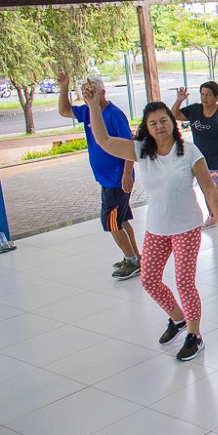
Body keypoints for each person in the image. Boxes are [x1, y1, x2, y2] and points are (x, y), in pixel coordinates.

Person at [83, 83, 218, 361]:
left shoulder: (189, 152)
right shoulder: (141, 151)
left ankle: (194, 335)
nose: (160, 126)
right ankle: (177, 319)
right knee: (149, 280)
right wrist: (92, 106)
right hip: (157, 230)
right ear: (147, 129)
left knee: (184, 282)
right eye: (153, 123)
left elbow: (210, 190)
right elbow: (103, 141)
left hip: (187, 227)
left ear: (172, 123)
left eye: (164, 120)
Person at [57, 71, 142, 280]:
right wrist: (64, 87)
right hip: (106, 179)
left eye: (92, 92)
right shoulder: (88, 112)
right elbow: (64, 110)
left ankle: (131, 261)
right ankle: (135, 257)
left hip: (116, 179)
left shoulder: (114, 114)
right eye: (86, 93)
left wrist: (126, 173)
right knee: (121, 219)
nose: (88, 96)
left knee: (112, 222)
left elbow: (130, 145)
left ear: (102, 92)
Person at [172, 81, 218, 229]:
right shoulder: (195, 110)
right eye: (202, 94)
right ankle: (213, 215)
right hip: (200, 160)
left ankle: (215, 217)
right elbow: (174, 115)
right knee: (207, 189)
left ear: (216, 96)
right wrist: (179, 100)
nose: (204, 98)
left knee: (215, 189)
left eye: (208, 95)